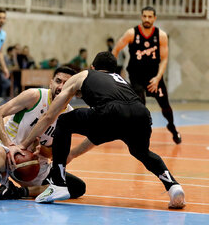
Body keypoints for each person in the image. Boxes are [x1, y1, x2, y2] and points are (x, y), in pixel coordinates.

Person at [18, 51, 185, 209]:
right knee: (141, 152)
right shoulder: (120, 80)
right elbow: (98, 134)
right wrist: (72, 154)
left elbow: (49, 116)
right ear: (114, 70)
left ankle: (58, 184)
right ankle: (173, 187)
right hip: (142, 115)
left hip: (111, 111)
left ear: (92, 67)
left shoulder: (83, 75)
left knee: (63, 120)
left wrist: (24, 144)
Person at [0, 66, 89, 208]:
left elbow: (52, 153)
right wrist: (9, 145)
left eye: (66, 83)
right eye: (58, 81)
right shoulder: (35, 96)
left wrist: (41, 149)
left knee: (77, 187)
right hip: (8, 147)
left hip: (32, 164)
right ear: (51, 83)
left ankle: (18, 191)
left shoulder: (69, 115)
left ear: (74, 89)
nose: (60, 86)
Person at [112, 6, 181, 144]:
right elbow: (116, 49)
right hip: (136, 75)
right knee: (140, 105)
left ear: (155, 18)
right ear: (141, 17)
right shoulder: (131, 33)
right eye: (144, 16)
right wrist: (112, 70)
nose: (147, 19)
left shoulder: (160, 35)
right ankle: (141, 134)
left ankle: (172, 128)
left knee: (165, 106)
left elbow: (164, 59)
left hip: (154, 76)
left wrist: (158, 78)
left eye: (150, 17)